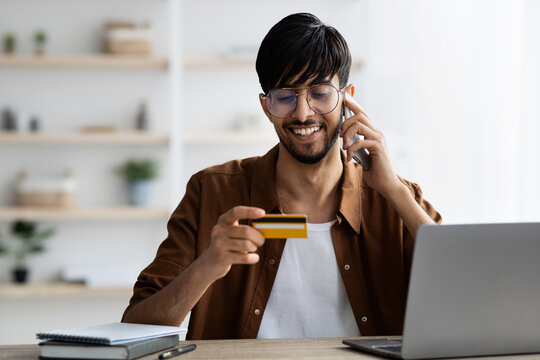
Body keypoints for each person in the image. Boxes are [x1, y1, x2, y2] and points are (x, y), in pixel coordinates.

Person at [122, 12, 441, 340]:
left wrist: (394, 192)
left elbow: (465, 290)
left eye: (319, 93)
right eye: (286, 97)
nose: (303, 113)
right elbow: (135, 326)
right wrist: (207, 266)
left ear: (348, 98)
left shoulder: (394, 197)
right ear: (265, 106)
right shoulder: (211, 191)